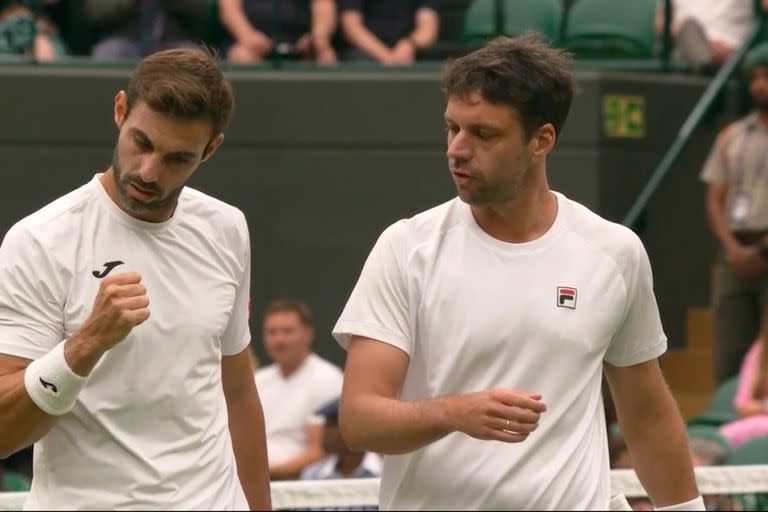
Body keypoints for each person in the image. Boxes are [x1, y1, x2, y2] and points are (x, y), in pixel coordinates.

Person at [332, 35, 703, 510]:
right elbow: (360, 419)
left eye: (483, 134)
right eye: (452, 128)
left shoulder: (615, 252)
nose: (457, 150)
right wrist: (453, 412)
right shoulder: (406, 248)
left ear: (541, 140)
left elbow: (648, 416)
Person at [0, 47, 271, 510]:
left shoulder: (227, 228)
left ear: (210, 149)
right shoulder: (39, 241)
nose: (148, 171)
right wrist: (84, 345)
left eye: (176, 159)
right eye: (141, 143)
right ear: (120, 110)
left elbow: (238, 394)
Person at [701, 42, 768, 386]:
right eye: (754, 77)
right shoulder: (732, 135)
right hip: (734, 251)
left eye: (766, 76)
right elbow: (715, 198)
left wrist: (761, 250)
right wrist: (732, 248)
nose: (759, 85)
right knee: (728, 347)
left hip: (764, 246)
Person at [255, 298, 343, 480]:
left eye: (287, 331)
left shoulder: (328, 378)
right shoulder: (258, 380)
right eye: (272, 332)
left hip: (301, 488)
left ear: (307, 334)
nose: (279, 340)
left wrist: (264, 474)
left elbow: (319, 451)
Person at [219, 0, 337, 64]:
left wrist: (318, 37)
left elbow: (324, 6)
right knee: (241, 56)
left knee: (326, 57)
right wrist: (247, 36)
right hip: (253, 42)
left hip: (302, 44)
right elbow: (229, 9)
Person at [655, 0, 760, 70]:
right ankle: (703, 63)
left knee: (679, 55)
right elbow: (660, 23)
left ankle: (700, 63)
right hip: (685, 40)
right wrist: (681, 32)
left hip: (731, 48)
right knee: (689, 27)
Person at [719, 305, 768, 448]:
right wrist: (765, 406)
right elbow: (742, 405)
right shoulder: (760, 351)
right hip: (757, 424)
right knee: (719, 439)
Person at [300, 397, 382, 480]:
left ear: (353, 427)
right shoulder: (314, 473)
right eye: (326, 425)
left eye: (332, 425)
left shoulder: (383, 471)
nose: (325, 432)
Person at [338, 0, 439, 65]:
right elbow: (352, 27)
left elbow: (428, 28)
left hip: (410, 53)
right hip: (366, 53)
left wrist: (408, 45)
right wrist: (387, 57)